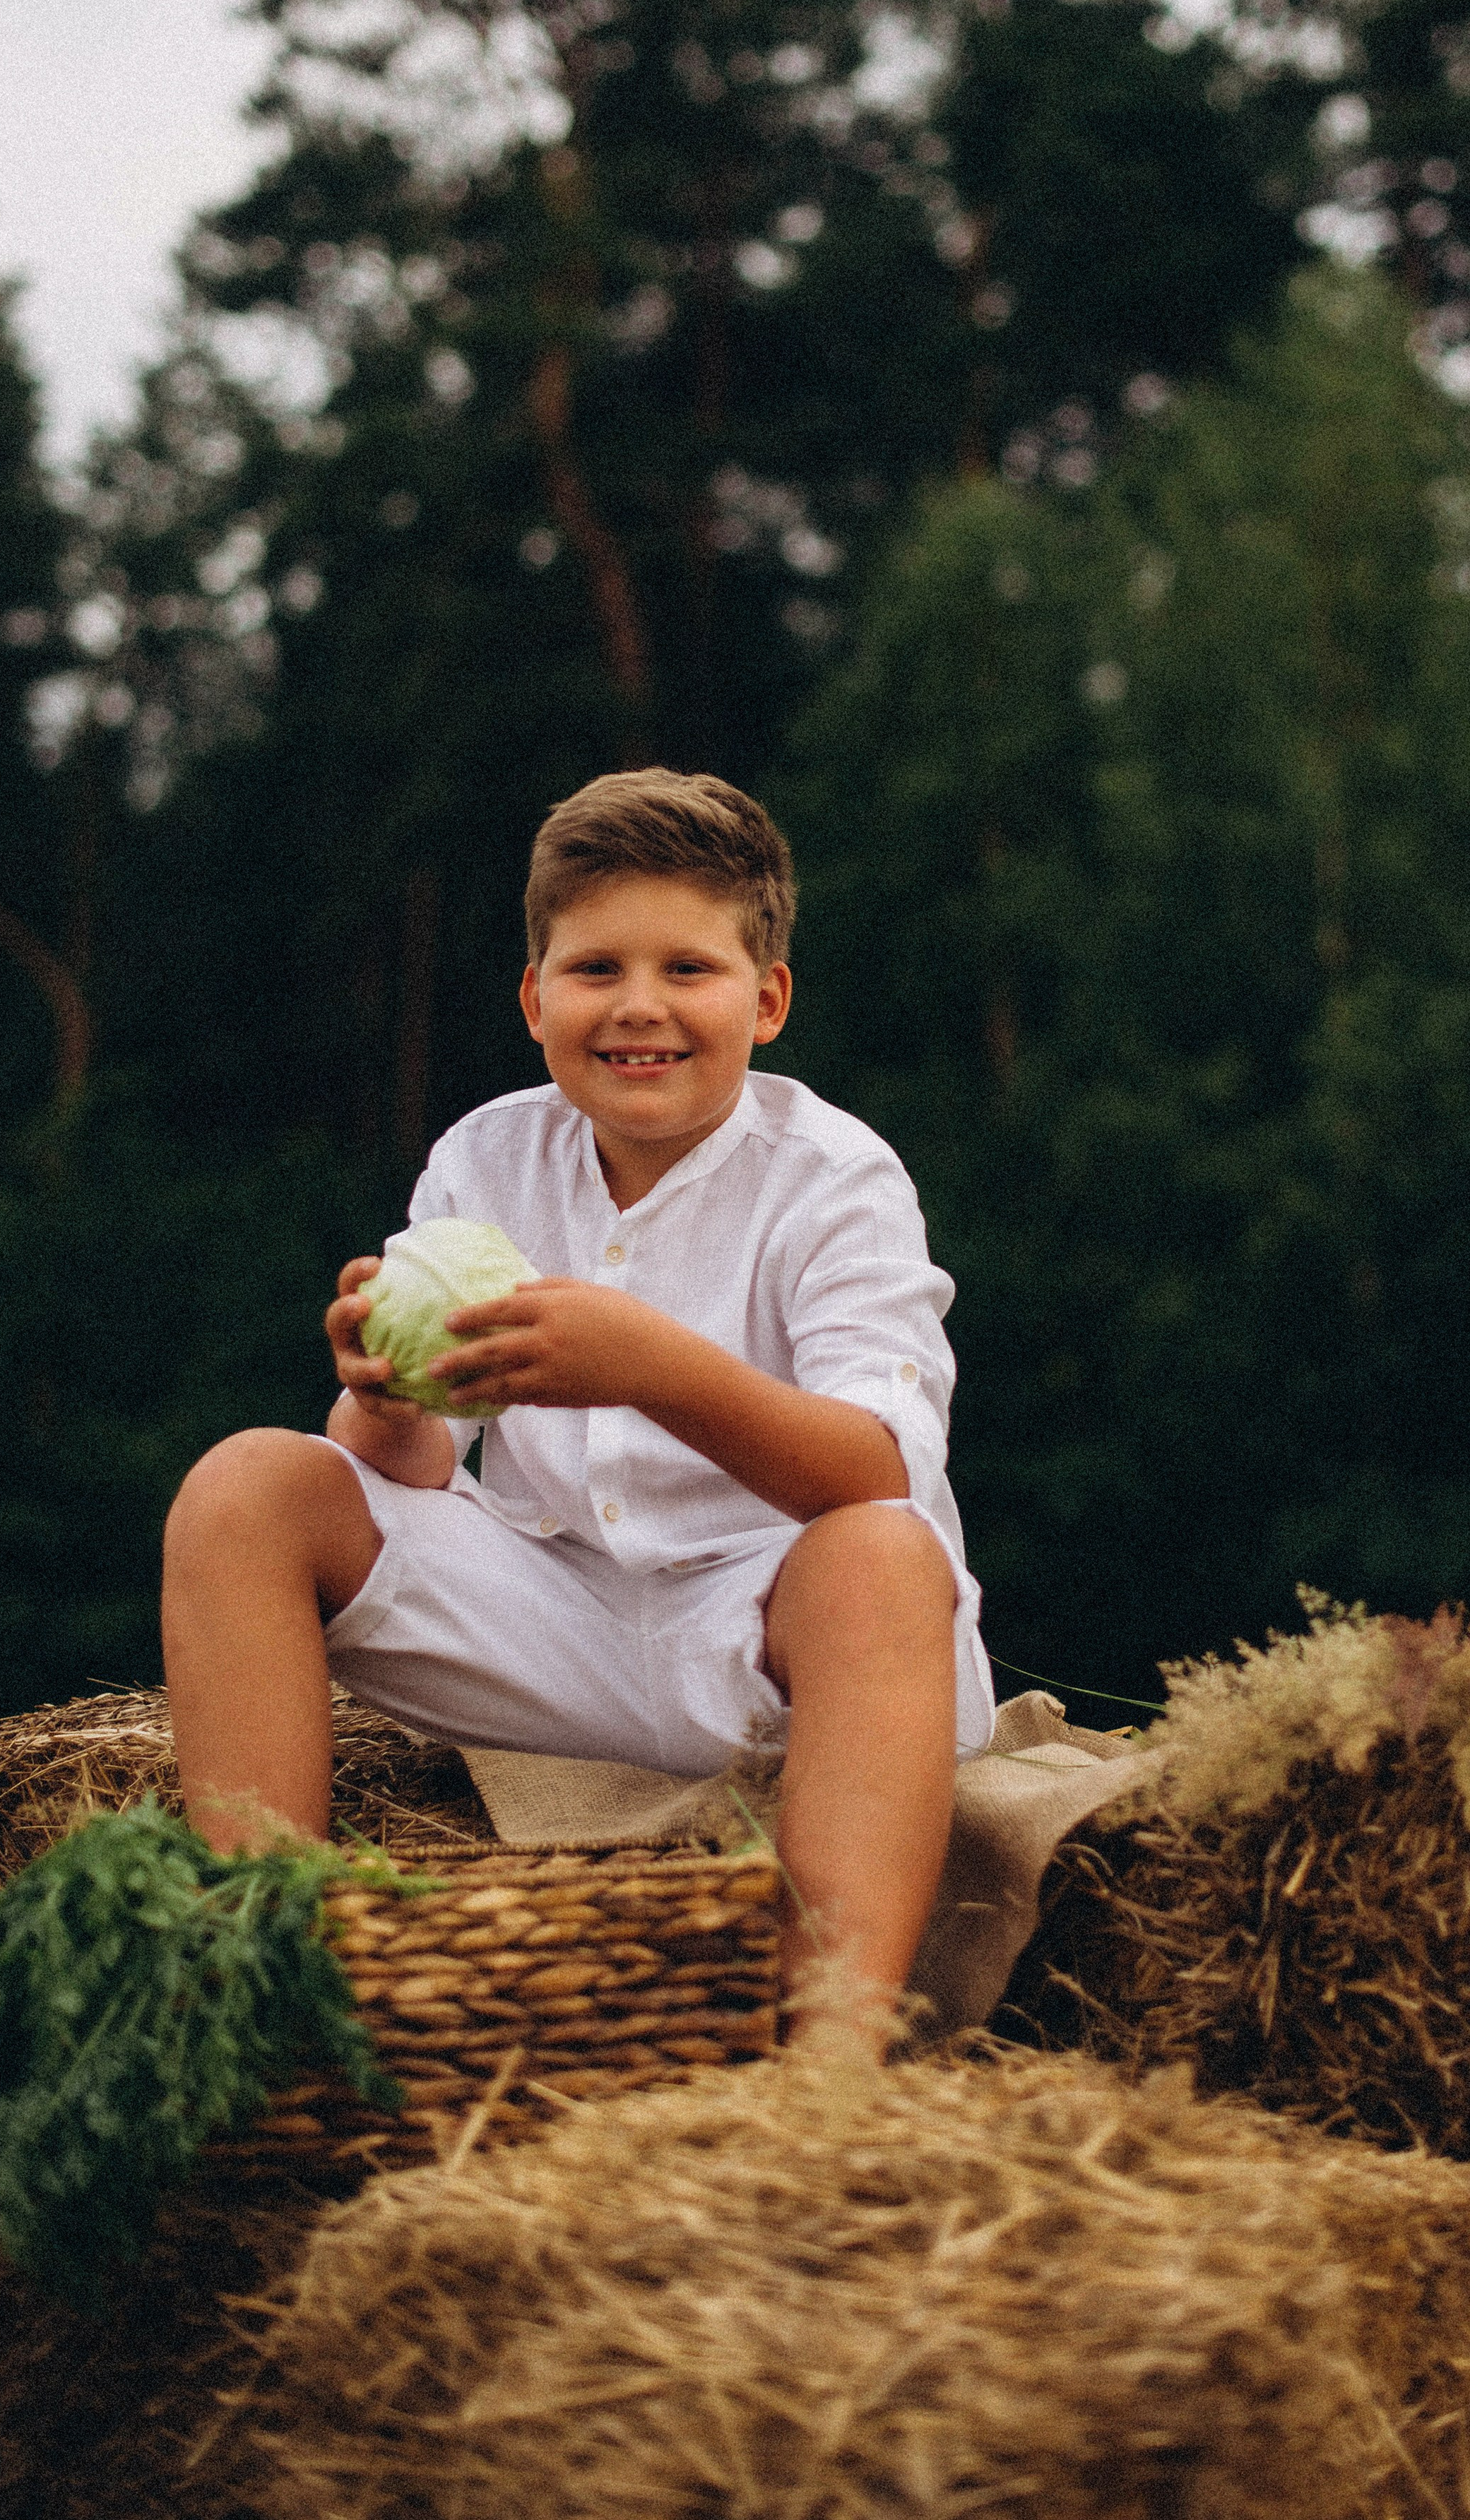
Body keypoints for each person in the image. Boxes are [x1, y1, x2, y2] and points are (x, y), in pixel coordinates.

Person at [162, 768, 993, 2041]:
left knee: (885, 1554)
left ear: (766, 1001)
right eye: (596, 968)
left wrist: (644, 1363)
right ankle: (259, 1963)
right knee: (247, 1484)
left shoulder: (838, 1179)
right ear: (534, 999)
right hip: (555, 1622)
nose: (640, 1007)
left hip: (775, 1644)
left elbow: (875, 1469)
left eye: (690, 970)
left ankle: (833, 2054)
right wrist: (382, 1394)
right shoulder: (485, 1155)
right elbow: (415, 1471)